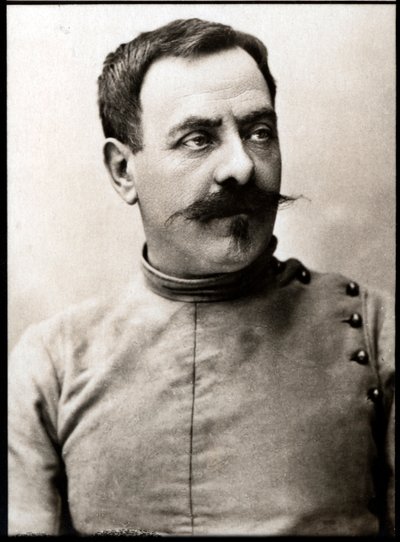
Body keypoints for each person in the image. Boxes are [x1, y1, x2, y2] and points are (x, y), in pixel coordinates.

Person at [8, 18, 394, 536]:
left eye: (259, 133)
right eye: (198, 139)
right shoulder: (50, 366)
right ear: (123, 171)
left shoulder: (377, 330)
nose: (241, 166)